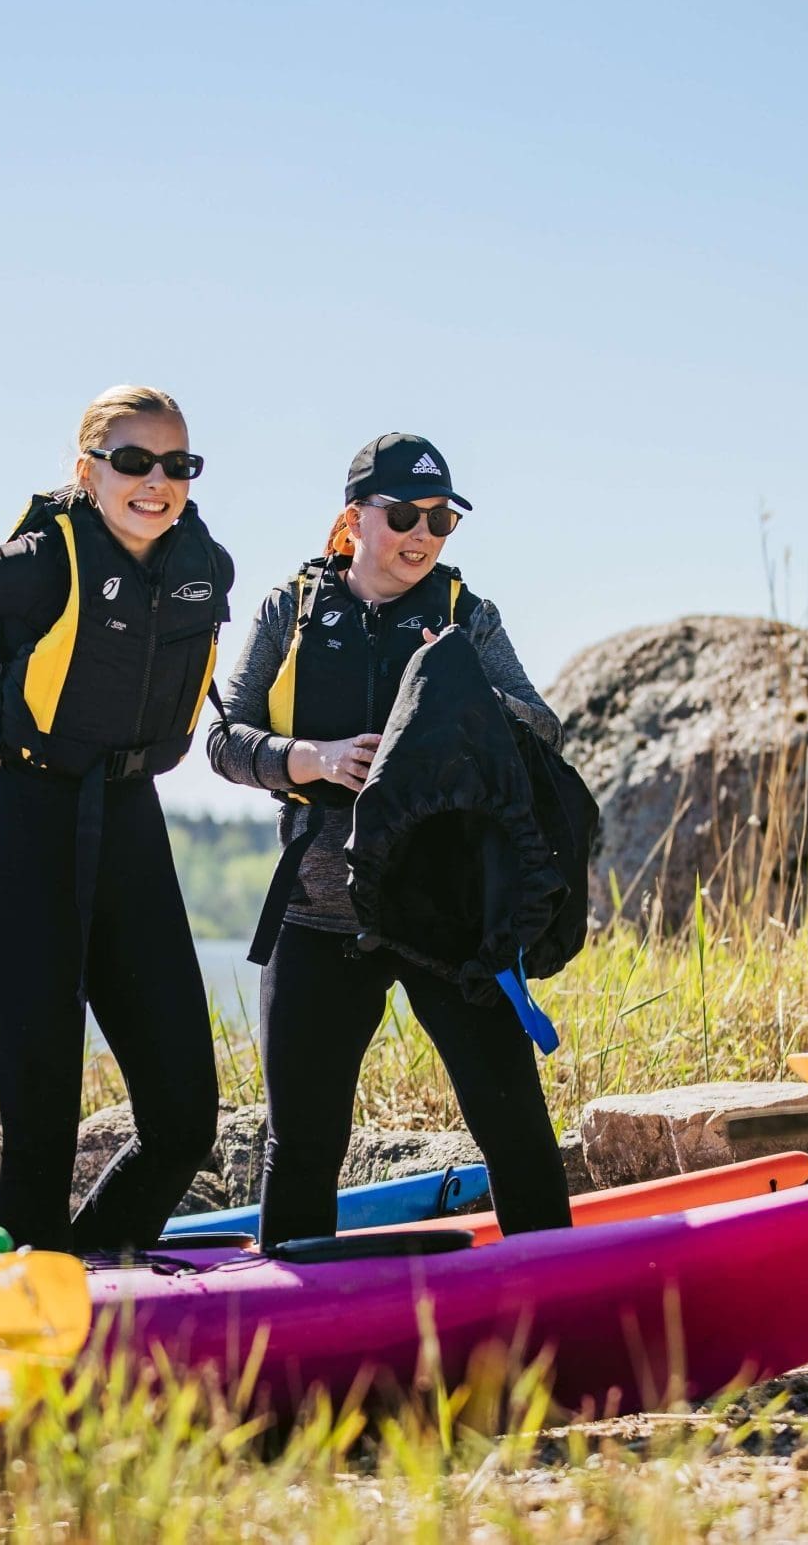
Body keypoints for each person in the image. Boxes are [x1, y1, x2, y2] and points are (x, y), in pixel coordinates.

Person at [0, 385, 233, 1254]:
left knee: (184, 1119)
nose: (157, 482)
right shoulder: (43, 559)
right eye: (133, 461)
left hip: (133, 835)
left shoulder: (200, 566)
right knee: (41, 1140)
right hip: (30, 833)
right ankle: (36, 1310)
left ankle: (92, 1272)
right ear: (87, 470)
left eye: (177, 465)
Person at [208, 433, 575, 1248]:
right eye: (404, 514)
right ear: (353, 520)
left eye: (441, 520)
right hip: (318, 915)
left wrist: (458, 695)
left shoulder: (465, 616)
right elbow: (224, 738)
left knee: (514, 1128)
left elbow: (541, 725)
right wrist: (311, 758)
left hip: (448, 920)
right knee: (300, 1145)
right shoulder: (289, 610)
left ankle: (557, 1302)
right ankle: (297, 1336)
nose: (422, 535)